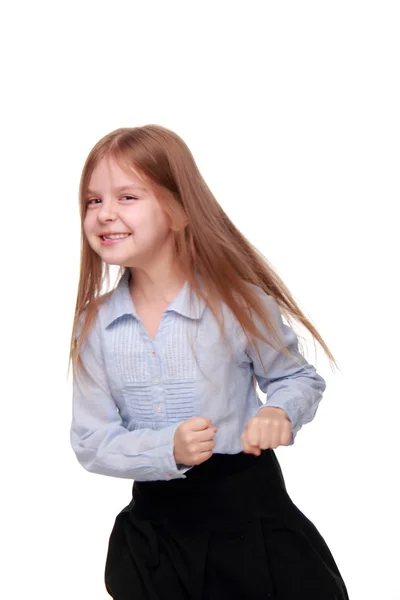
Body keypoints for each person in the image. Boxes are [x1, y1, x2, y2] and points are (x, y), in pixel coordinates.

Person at [69, 124, 349, 599]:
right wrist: (167, 449)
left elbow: (296, 377)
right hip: (158, 538)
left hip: (250, 525)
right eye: (94, 201)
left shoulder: (238, 304)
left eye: (127, 196)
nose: (105, 214)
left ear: (179, 209)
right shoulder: (94, 325)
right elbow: (91, 440)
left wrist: (278, 411)